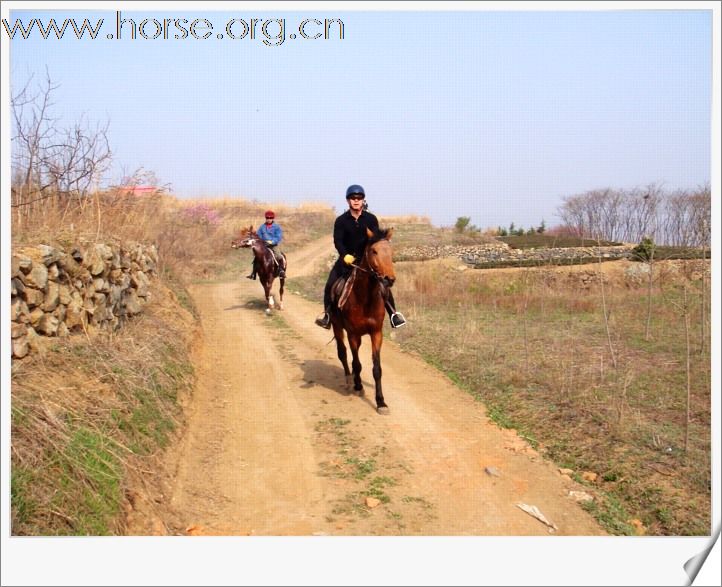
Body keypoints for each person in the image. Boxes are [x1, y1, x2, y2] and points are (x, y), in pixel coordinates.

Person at [315, 185, 406, 329]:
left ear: (363, 200)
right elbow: (338, 240)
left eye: (359, 198)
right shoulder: (341, 221)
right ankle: (327, 315)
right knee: (330, 285)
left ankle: (393, 314)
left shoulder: (371, 219)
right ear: (348, 201)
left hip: (366, 262)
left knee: (383, 285)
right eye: (353, 198)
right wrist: (345, 255)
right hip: (346, 261)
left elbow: (375, 241)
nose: (356, 201)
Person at [248, 210, 285, 279]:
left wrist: (272, 241)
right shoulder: (262, 227)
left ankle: (281, 271)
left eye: (270, 218)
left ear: (273, 218)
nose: (269, 219)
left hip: (273, 245)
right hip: (264, 245)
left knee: (279, 255)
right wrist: (262, 241)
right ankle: (253, 273)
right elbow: (259, 236)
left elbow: (279, 236)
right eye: (267, 218)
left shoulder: (277, 227)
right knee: (257, 257)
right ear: (265, 218)